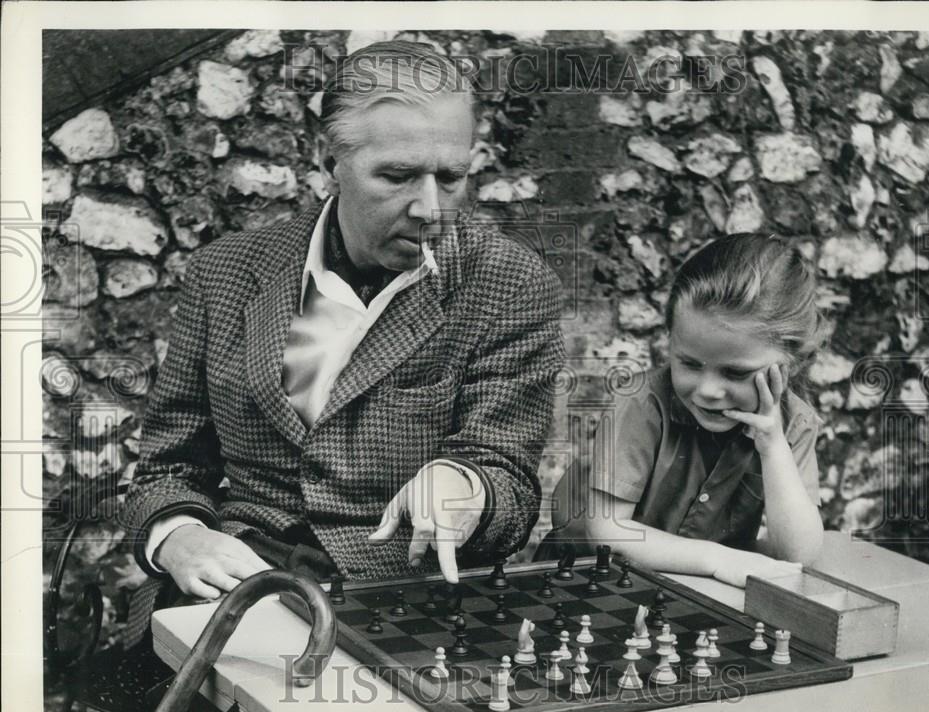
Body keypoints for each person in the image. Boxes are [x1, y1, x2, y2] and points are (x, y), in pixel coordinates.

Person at [121, 41, 565, 648]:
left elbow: (508, 484)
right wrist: (179, 536)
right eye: (398, 175)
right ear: (328, 160)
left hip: (403, 604)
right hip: (235, 588)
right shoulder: (222, 274)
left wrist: (470, 489)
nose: (430, 209)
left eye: (452, 177)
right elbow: (169, 467)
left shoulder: (509, 285)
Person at [537, 234, 823, 587]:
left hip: (693, 592)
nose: (707, 391)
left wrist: (773, 446)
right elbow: (607, 531)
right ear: (670, 339)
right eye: (689, 363)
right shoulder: (641, 402)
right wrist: (716, 558)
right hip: (585, 580)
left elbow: (799, 555)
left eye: (736, 372)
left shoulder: (795, 423)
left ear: (792, 364)